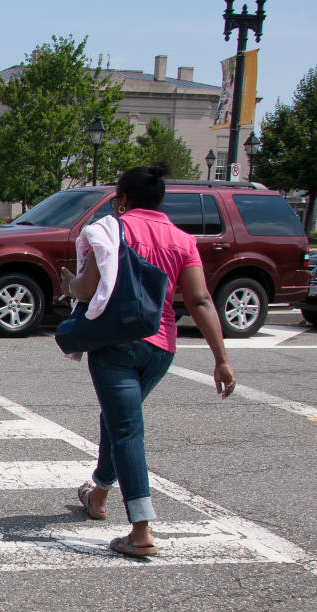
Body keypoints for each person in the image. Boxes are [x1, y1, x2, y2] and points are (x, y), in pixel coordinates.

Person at [61, 163, 236, 557]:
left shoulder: (113, 229)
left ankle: (140, 530)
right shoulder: (181, 239)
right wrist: (221, 359)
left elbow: (87, 290)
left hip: (116, 344)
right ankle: (99, 495)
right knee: (119, 420)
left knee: (126, 430)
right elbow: (201, 300)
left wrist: (67, 284)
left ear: (122, 199)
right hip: (162, 348)